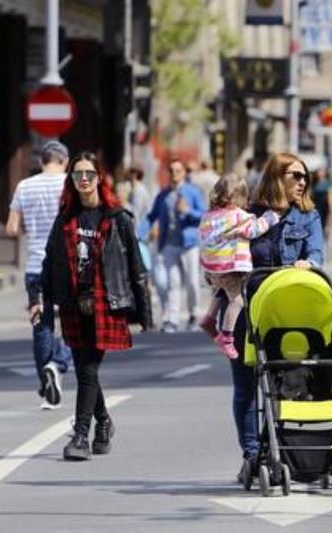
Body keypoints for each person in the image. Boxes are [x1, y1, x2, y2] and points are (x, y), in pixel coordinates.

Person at [41, 152, 151, 461]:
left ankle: (80, 436)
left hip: (105, 303)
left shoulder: (117, 218)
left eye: (89, 173)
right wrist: (41, 302)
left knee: (88, 369)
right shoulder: (66, 218)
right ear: (72, 180)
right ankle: (104, 422)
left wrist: (143, 313)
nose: (84, 179)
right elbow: (51, 262)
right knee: (83, 370)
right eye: (78, 175)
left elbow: (136, 267)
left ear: (99, 177)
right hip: (74, 305)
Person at [230, 152, 324, 485]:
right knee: (245, 388)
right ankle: (252, 452)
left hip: (290, 313)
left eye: (304, 177)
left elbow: (316, 252)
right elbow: (227, 252)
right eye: (295, 176)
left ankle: (279, 449)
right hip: (248, 309)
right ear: (277, 178)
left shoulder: (308, 217)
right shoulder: (250, 217)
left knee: (287, 385)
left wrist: (308, 264)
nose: (302, 182)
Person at [6, 141, 74, 410]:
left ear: (42, 161)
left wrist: (33, 230)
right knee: (76, 322)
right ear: (65, 161)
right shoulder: (70, 184)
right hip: (65, 265)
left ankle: (47, 381)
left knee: (40, 324)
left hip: (35, 266)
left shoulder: (25, 185)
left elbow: (11, 228)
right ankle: (57, 364)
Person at [197, 174, 280, 358]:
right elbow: (253, 230)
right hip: (231, 266)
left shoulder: (208, 217)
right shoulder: (238, 216)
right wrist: (270, 217)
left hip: (213, 267)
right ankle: (226, 337)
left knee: (221, 290)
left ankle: (210, 317)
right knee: (237, 300)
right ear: (240, 196)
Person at [147, 158, 206, 332]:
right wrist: (140, 234)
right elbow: (152, 216)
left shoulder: (192, 192)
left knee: (192, 282)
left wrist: (187, 211)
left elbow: (203, 214)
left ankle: (193, 313)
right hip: (169, 243)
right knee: (173, 282)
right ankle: (171, 319)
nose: (174, 174)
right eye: (171, 171)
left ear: (183, 173)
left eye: (178, 171)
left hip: (189, 243)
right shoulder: (163, 195)